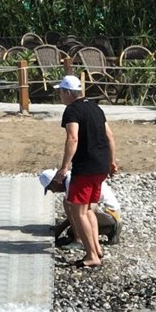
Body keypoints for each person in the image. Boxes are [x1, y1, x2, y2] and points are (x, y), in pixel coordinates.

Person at [53, 75, 117, 268]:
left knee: (78, 210)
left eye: (60, 93)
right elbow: (110, 135)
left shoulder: (72, 111)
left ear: (66, 93)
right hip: (101, 166)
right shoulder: (96, 107)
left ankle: (91, 255)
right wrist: (112, 161)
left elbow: (73, 139)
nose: (60, 97)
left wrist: (64, 168)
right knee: (88, 208)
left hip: (86, 166)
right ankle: (97, 249)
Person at [39, 168, 122, 246]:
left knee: (69, 204)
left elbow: (77, 210)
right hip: (106, 212)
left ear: (55, 181)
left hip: (110, 213)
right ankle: (107, 229)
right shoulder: (70, 177)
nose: (53, 191)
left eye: (50, 188)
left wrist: (60, 229)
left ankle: (79, 240)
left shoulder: (71, 182)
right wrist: (61, 228)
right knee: (71, 232)